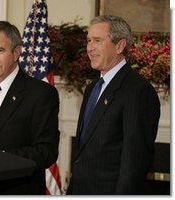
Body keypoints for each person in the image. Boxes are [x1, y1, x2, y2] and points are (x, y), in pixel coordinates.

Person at [0, 21, 60, 194]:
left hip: (17, 191)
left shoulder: (41, 94)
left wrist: (2, 158)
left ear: (16, 52)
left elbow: (46, 151)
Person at [67, 15, 160, 195]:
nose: (89, 48)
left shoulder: (138, 91)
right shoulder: (92, 88)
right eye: (88, 40)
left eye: (97, 40)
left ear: (120, 46)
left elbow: (134, 164)